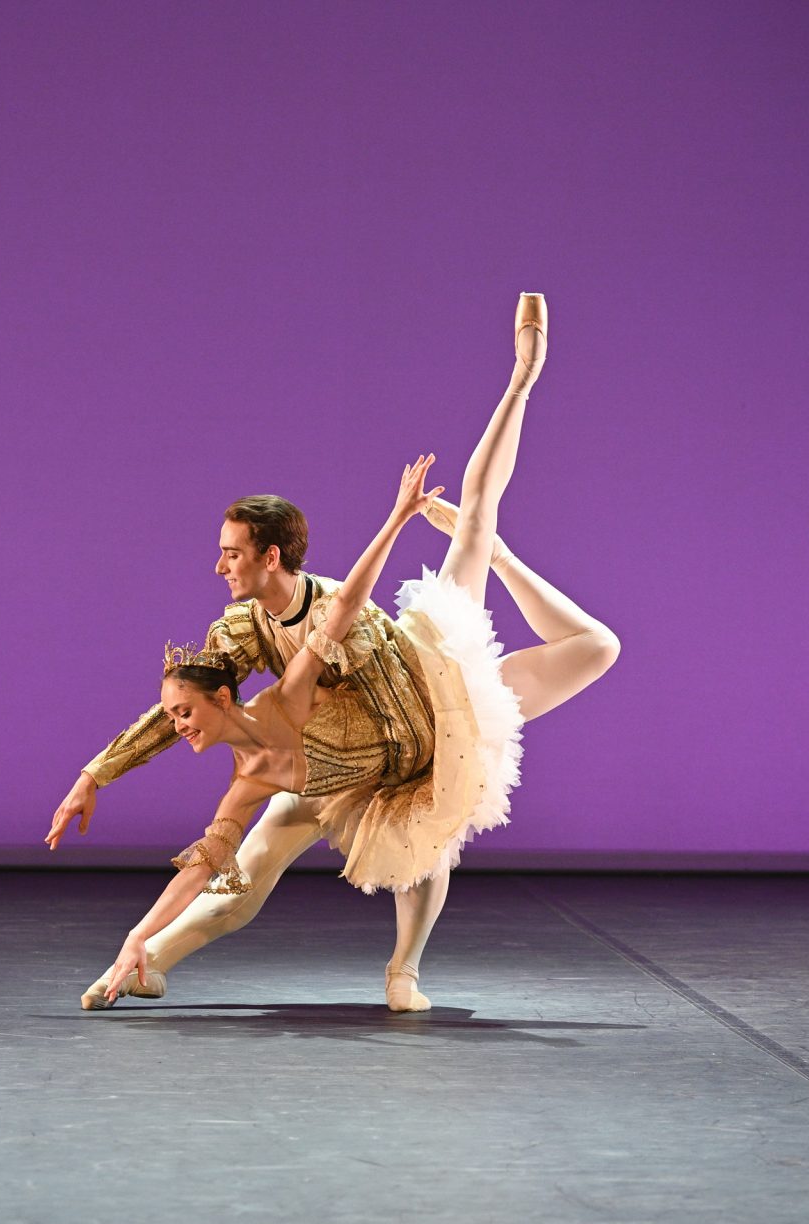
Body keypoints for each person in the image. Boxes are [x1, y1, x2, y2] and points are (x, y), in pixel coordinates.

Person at [78, 293, 622, 1011]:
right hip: (338, 760)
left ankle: (405, 968)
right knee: (252, 869)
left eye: (230, 554)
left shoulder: (309, 653)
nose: (219, 567)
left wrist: (409, 517)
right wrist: (102, 789)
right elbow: (185, 735)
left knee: (524, 599)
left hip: (429, 702)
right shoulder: (246, 666)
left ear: (270, 555)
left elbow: (350, 603)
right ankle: (148, 962)